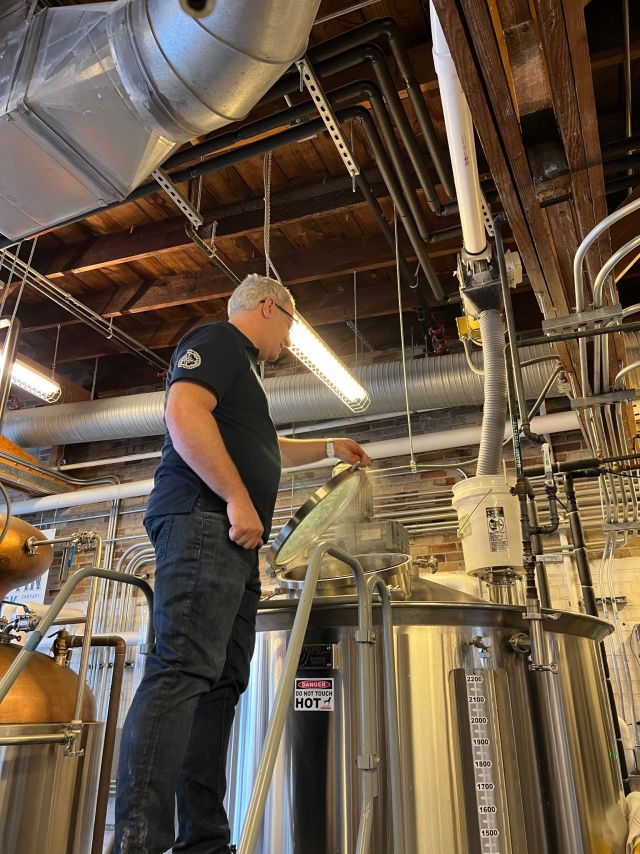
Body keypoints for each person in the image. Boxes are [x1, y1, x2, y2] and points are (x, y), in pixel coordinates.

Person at [115, 273, 371, 854]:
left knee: (222, 683)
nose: (288, 335)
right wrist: (236, 498)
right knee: (181, 671)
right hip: (205, 520)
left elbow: (264, 447)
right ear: (266, 307)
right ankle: (138, 843)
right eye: (289, 321)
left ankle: (203, 840)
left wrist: (330, 447)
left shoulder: (245, 380)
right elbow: (183, 414)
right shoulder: (220, 340)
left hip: (232, 540)